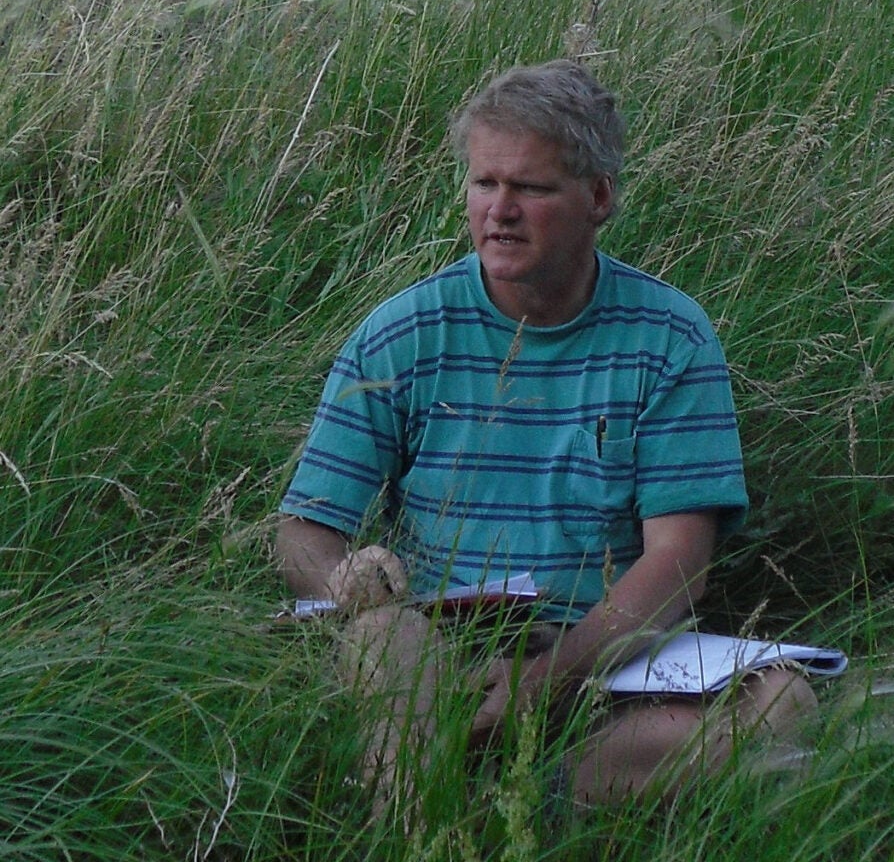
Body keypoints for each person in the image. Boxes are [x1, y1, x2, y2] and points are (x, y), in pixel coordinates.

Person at [275, 59, 817, 818]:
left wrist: (547, 681)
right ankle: (419, 820)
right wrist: (344, 583)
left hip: (605, 658)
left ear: (598, 197)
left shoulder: (669, 336)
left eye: (529, 188)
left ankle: (529, 807)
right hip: (442, 655)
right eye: (483, 183)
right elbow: (304, 527)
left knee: (781, 701)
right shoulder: (403, 332)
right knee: (387, 648)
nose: (499, 210)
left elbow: (679, 557)